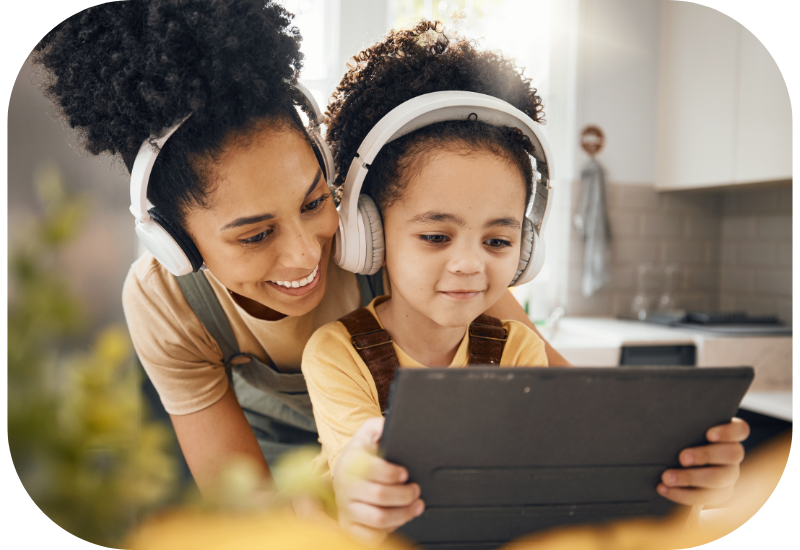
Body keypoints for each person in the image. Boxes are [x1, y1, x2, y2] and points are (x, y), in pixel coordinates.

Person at [30, 1, 569, 499]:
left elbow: (577, 402)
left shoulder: (394, 244)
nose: (305, 255)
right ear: (174, 240)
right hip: (287, 475)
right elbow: (245, 503)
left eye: (314, 202)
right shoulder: (166, 304)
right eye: (255, 235)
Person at [305, 21, 751, 545]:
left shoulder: (516, 347)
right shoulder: (335, 352)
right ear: (370, 236)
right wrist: (361, 486)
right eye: (435, 236)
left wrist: (682, 483)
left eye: (497, 242)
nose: (470, 265)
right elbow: (354, 477)